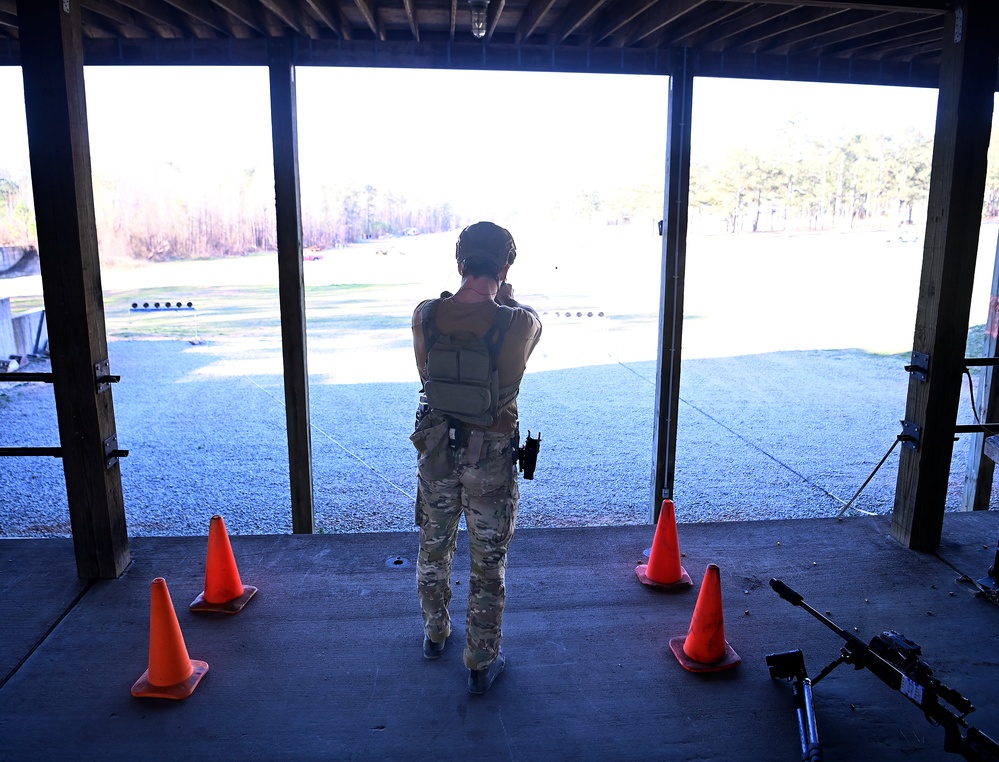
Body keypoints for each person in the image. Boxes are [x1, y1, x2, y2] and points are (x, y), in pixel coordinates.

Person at [410, 221, 542, 695]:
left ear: (459, 263)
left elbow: (426, 369)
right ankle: (479, 661)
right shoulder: (518, 322)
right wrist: (505, 298)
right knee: (488, 560)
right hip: (489, 459)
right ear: (505, 268)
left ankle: (434, 633)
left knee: (434, 543)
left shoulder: (425, 316)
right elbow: (534, 328)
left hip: (436, 454)